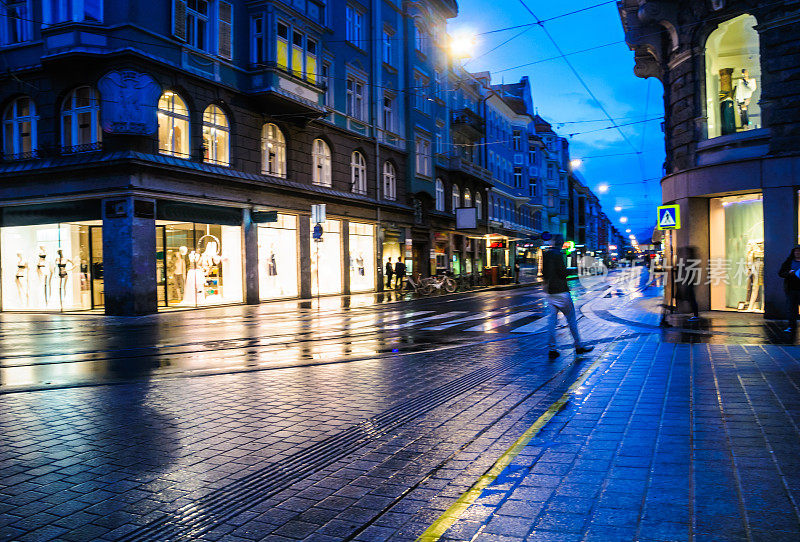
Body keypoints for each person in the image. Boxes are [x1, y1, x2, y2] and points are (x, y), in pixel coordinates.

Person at [541, 234, 594, 359]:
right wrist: (572, 270)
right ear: (561, 244)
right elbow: (562, 273)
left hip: (551, 293)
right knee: (571, 321)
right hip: (562, 292)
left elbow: (545, 273)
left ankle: (552, 349)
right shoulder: (559, 255)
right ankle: (578, 346)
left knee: (552, 323)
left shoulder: (546, 254)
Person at [778, 245, 800, 333]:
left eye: (799, 252)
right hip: (791, 288)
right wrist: (788, 273)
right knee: (792, 309)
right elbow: (781, 273)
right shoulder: (789, 262)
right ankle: (792, 326)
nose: (798, 253)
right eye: (796, 252)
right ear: (793, 253)